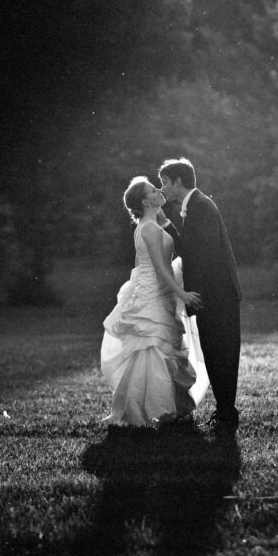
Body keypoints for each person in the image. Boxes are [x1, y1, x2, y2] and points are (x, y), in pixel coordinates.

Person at [100, 177, 209, 427]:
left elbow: (144, 264)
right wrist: (183, 294)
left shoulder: (152, 224)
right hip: (156, 293)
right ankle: (151, 410)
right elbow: (160, 269)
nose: (159, 190)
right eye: (153, 189)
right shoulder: (148, 228)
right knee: (154, 349)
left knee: (161, 349)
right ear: (144, 200)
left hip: (159, 293)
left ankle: (167, 407)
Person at [158, 158, 242, 435]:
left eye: (165, 183)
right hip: (212, 296)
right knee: (216, 354)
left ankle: (228, 415)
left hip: (217, 297)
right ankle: (225, 412)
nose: (163, 189)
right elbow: (191, 250)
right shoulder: (194, 207)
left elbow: (203, 256)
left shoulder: (201, 207)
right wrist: (168, 224)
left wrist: (196, 295)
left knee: (222, 355)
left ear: (178, 182)